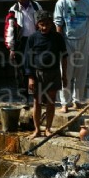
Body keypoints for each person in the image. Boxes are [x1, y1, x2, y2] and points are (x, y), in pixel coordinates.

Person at [54, 0, 89, 113]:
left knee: (81, 72)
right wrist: (60, 46)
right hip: (67, 40)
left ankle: (77, 101)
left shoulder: (88, 2)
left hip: (83, 39)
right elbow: (59, 25)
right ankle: (64, 103)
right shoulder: (61, 3)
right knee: (66, 73)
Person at [24, 10, 68, 139]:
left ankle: (48, 128)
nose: (45, 27)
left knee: (51, 101)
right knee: (37, 101)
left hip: (53, 72)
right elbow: (28, 59)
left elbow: (64, 57)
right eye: (42, 24)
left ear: (51, 24)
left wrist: (64, 75)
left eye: (48, 24)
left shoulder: (58, 37)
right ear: (37, 24)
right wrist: (31, 77)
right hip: (38, 73)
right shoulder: (33, 38)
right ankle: (37, 129)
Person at [5, 0, 43, 105]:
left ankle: (38, 96)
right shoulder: (13, 10)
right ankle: (24, 97)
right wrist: (11, 48)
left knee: (37, 68)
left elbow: (43, 23)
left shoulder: (36, 6)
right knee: (20, 71)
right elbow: (10, 29)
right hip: (20, 43)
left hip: (34, 41)